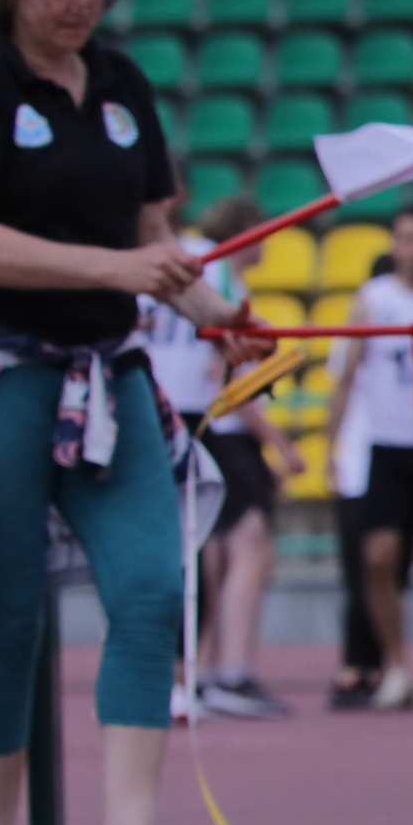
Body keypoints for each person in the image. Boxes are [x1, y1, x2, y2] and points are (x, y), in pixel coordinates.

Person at [0, 0, 269, 825]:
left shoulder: (122, 85)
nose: (81, 2)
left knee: (151, 591)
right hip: (3, 374)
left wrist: (219, 320)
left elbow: (155, 242)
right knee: (4, 615)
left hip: (112, 378)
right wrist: (114, 272)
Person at [142, 193, 301, 720]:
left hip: (157, 410)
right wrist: (277, 441)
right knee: (222, 544)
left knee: (197, 549)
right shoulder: (207, 265)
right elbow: (223, 370)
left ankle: (194, 675)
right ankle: (212, 674)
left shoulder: (158, 257)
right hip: (197, 419)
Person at [324, 203, 413, 715]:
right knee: (378, 557)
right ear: (395, 243)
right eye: (408, 239)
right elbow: (346, 378)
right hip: (386, 445)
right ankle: (395, 664)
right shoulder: (372, 301)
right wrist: (332, 447)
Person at [325, 253, 401, 712]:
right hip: (361, 462)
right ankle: (360, 663)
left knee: (383, 571)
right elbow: (342, 388)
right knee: (363, 572)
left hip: (379, 459)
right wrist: (333, 451)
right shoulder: (358, 334)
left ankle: (379, 663)